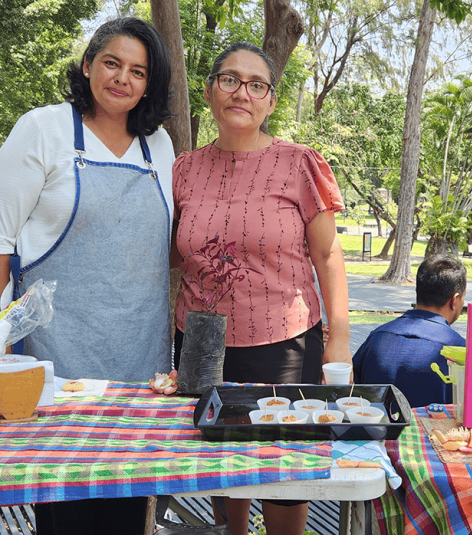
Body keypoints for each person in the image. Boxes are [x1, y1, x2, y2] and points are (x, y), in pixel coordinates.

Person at [0, 17, 174, 535]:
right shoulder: (42, 129)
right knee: (65, 507)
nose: (122, 79)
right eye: (112, 63)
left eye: (138, 71)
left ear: (149, 84)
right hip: (56, 359)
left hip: (140, 362)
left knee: (128, 507)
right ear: (88, 64)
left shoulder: (161, 147)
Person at [171, 42, 350, 535]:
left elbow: (328, 255)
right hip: (200, 343)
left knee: (281, 468)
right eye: (229, 80)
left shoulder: (299, 164)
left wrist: (339, 339)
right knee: (218, 459)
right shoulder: (183, 169)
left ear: (271, 101)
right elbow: (173, 255)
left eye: (256, 85)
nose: (241, 93)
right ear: (209, 92)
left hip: (284, 343)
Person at [352, 256, 467, 408]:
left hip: (374, 430)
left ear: (417, 291)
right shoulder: (460, 351)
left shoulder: (376, 338)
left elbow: (351, 394)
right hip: (436, 432)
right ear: (454, 300)